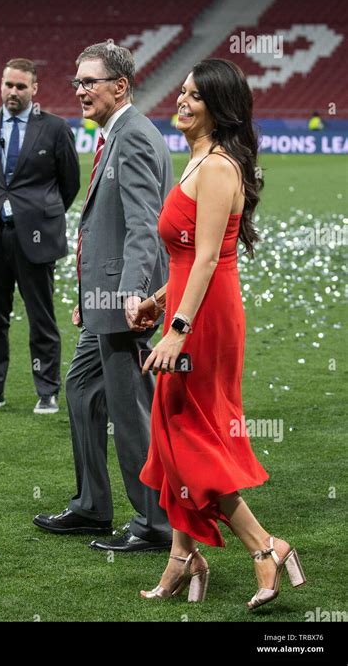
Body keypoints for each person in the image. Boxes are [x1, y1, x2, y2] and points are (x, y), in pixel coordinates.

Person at [132, 59, 306, 607]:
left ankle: (265, 545)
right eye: (181, 92)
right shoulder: (197, 161)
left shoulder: (218, 168)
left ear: (219, 107)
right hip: (187, 307)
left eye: (195, 96)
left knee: (193, 436)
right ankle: (183, 558)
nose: (181, 102)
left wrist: (176, 330)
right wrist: (157, 304)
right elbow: (187, 259)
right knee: (173, 429)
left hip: (204, 320)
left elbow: (209, 258)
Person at [33, 42, 173, 551]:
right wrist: (91, 296)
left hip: (123, 306)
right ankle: (93, 506)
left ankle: (155, 526)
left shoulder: (132, 137)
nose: (79, 90)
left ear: (120, 86)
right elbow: (109, 229)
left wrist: (131, 297)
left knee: (129, 412)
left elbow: (142, 227)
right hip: (105, 301)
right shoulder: (117, 135)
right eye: (76, 81)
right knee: (80, 392)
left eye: (89, 81)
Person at [0, 58, 80, 414]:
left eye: (20, 86)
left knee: (41, 318)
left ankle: (47, 391)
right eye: (8, 85)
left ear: (34, 89)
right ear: (1, 85)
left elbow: (69, 184)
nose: (13, 92)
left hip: (36, 237)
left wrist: (39, 212)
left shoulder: (55, 129)